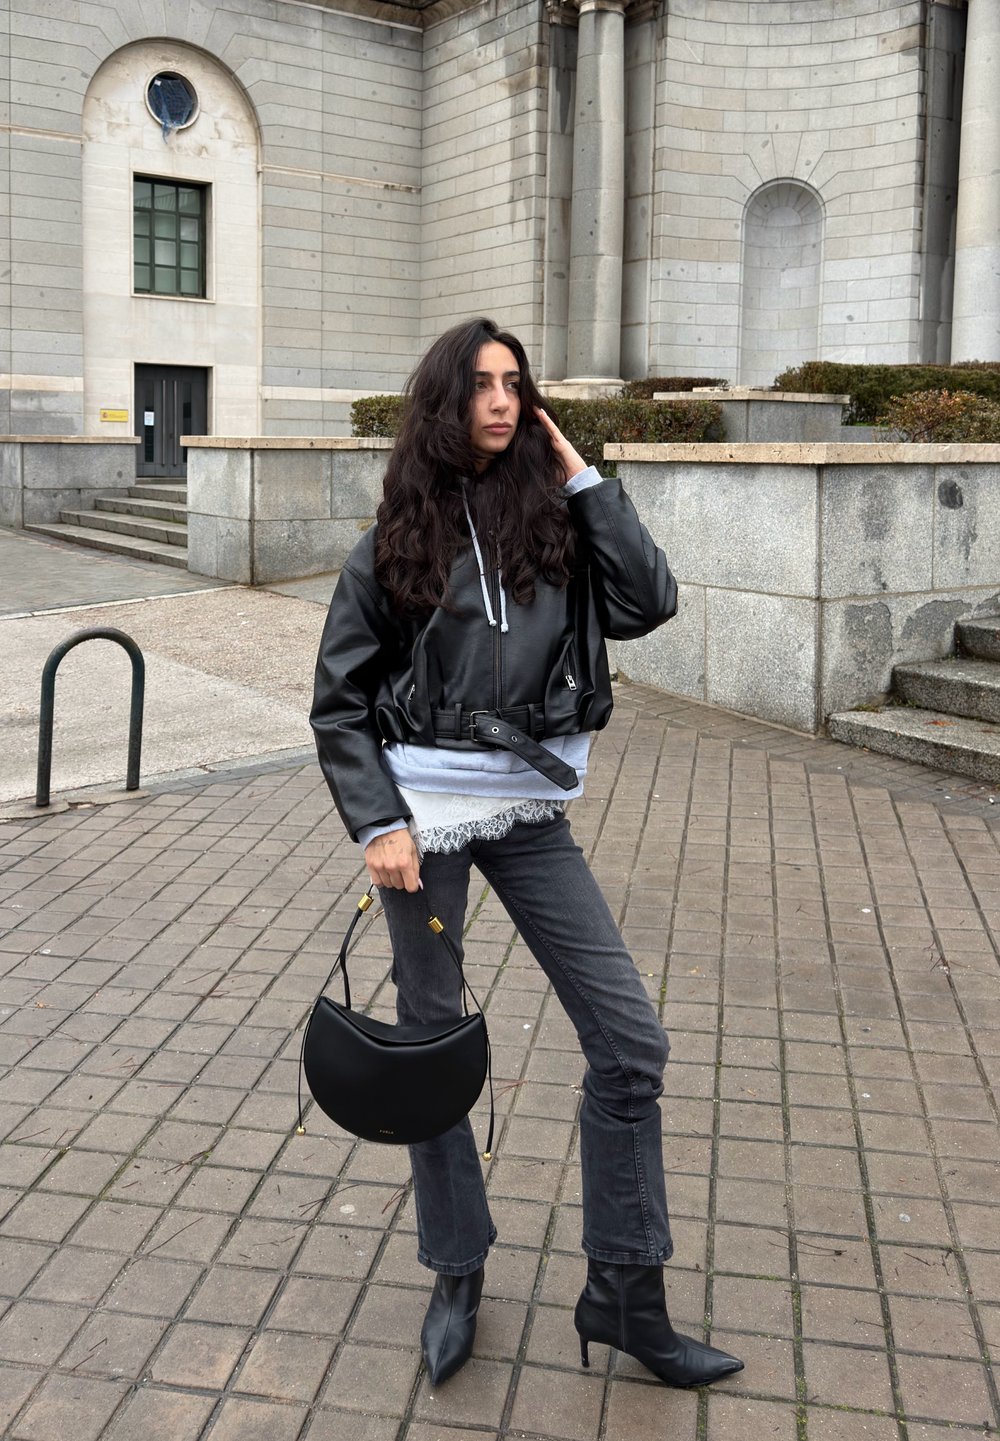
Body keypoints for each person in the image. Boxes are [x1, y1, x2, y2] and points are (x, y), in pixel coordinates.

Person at [310, 317, 743, 1390]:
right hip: (428, 822)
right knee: (433, 1046)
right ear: (442, 402)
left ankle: (625, 1292)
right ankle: (457, 1267)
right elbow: (338, 700)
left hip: (531, 812)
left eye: (515, 386)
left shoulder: (552, 522)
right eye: (481, 386)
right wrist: (379, 822)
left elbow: (651, 600)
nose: (501, 402)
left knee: (630, 1039)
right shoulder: (397, 539)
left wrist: (586, 476)